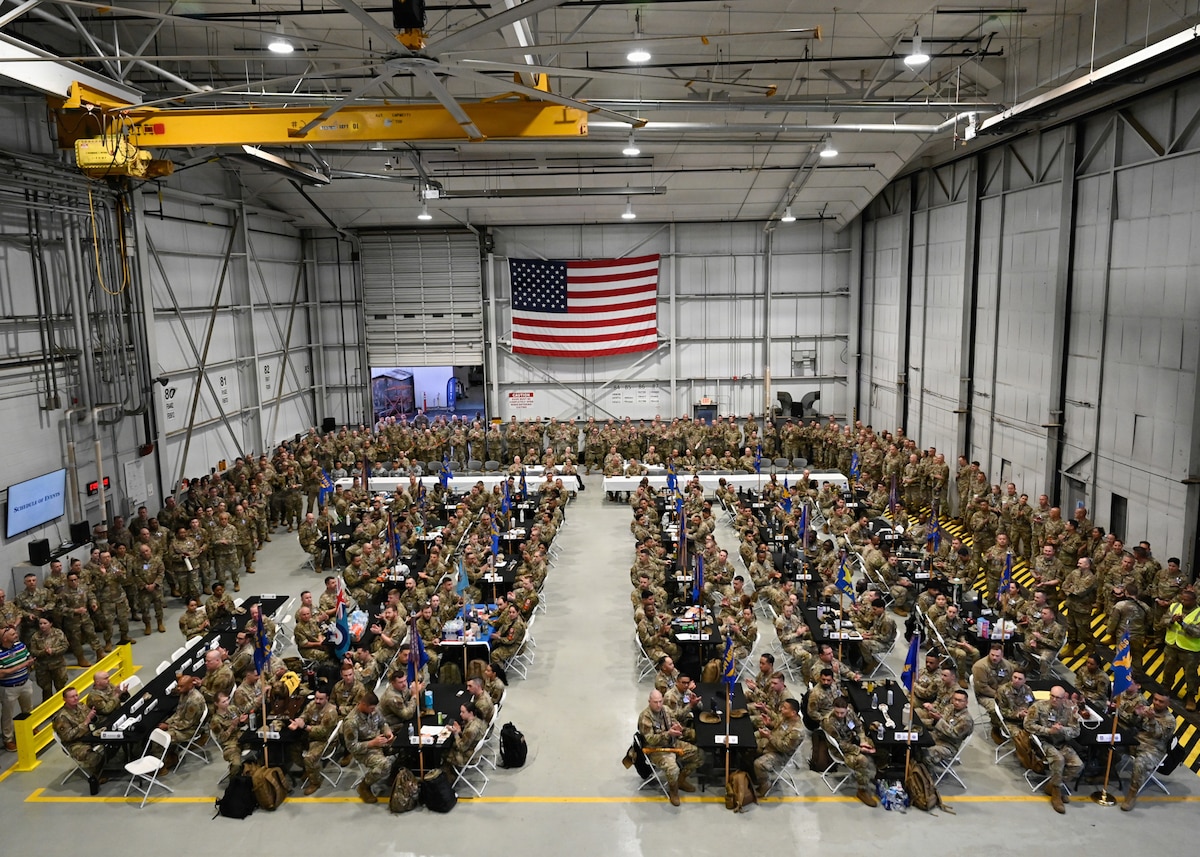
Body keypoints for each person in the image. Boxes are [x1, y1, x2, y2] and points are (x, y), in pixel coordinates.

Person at [637, 689, 702, 806]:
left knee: (699, 755)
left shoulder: (665, 710)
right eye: (655, 702)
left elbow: (673, 720)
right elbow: (650, 739)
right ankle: (674, 790)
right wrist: (669, 734)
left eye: (660, 701)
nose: (658, 705)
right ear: (649, 701)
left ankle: (681, 780)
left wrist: (677, 727)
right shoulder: (645, 717)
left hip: (672, 743)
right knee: (673, 768)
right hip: (656, 750)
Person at [1023, 685, 1082, 813]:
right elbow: (1028, 725)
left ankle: (1053, 785)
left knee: (1078, 765)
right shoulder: (1038, 706)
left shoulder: (1070, 709)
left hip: (1061, 742)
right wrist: (1049, 731)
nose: (1054, 700)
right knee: (1059, 759)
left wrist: (1062, 730)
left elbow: (1076, 731)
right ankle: (1056, 792)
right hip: (1044, 742)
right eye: (1052, 696)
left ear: (1063, 698)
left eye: (1058, 698)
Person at [1121, 692, 1176, 811]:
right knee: (1113, 745)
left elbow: (1160, 735)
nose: (1156, 703)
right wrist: (1136, 714)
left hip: (1153, 749)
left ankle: (1132, 794)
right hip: (1137, 741)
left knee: (1140, 763)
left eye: (1161, 701)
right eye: (1155, 699)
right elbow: (1132, 723)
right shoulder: (1147, 709)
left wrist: (1152, 720)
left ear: (1168, 703)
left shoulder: (1170, 720)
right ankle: (1105, 774)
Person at [821, 696, 878, 806]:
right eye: (837, 712)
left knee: (878, 746)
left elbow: (858, 726)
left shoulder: (850, 712)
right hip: (840, 750)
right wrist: (860, 749)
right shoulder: (829, 722)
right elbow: (840, 744)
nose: (840, 715)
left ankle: (878, 777)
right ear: (833, 709)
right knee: (862, 760)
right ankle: (862, 790)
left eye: (842, 713)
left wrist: (862, 740)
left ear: (846, 709)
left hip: (853, 740)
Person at [52, 687, 107, 793]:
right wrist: (86, 722)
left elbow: (92, 719)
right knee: (93, 756)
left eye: (76, 695)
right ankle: (98, 775)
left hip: (88, 735)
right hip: (74, 743)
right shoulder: (61, 718)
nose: (76, 698)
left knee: (111, 739)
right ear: (65, 699)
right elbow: (67, 736)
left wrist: (93, 717)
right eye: (72, 697)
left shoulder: (81, 706)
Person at [343, 691, 393, 803]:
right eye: (371, 708)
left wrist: (388, 732)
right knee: (384, 765)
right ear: (363, 705)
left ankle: (394, 775)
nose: (374, 711)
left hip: (379, 741)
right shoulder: (351, 722)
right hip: (365, 750)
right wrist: (372, 743)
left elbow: (383, 723)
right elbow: (351, 747)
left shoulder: (373, 710)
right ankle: (364, 786)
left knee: (403, 746)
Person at [291, 686, 339, 795]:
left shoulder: (331, 712)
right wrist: (299, 720)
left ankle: (315, 782)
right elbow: (305, 714)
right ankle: (308, 770)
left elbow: (323, 732)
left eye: (321, 699)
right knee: (293, 748)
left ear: (327, 698)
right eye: (316, 698)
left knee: (309, 758)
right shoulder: (312, 705)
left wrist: (304, 727)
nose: (317, 701)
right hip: (311, 736)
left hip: (325, 741)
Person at [752, 697, 804, 797]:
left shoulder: (796, 731)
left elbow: (784, 748)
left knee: (759, 764)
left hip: (781, 755)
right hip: (772, 743)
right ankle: (753, 774)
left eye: (784, 708)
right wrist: (769, 724)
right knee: (749, 743)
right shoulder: (785, 717)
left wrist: (769, 736)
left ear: (793, 712)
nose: (781, 709)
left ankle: (765, 785)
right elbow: (776, 726)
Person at [156, 674, 206, 768]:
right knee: (159, 726)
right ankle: (170, 755)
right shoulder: (185, 692)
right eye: (178, 686)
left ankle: (161, 767)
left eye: (181, 686)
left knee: (160, 738)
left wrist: (168, 726)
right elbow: (179, 713)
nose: (179, 688)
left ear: (190, 685)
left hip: (189, 730)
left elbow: (187, 723)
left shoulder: (193, 701)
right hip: (180, 722)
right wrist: (168, 722)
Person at [1162, 588, 1200, 711]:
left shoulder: (1198, 613)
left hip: (1189, 650)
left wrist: (1183, 624)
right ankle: (1166, 689)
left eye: (1187, 600)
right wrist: (1171, 620)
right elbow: (1162, 621)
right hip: (1172, 645)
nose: (1183, 602)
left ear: (1195, 600)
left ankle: (1190, 697)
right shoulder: (1174, 607)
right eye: (1182, 599)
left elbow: (1197, 633)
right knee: (1168, 669)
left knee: (1190, 675)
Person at [0, 625, 33, 751]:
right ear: (4, 639)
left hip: (25, 683)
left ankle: (30, 727)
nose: (16, 635)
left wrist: (29, 662)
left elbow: (27, 656)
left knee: (28, 709)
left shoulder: (20, 645)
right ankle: (8, 739)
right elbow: (1, 673)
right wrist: (20, 666)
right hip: (9, 688)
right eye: (12, 634)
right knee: (7, 714)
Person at [923, 688, 974, 767]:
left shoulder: (966, 720)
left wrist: (939, 720)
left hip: (949, 746)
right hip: (937, 736)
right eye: (955, 699)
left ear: (966, 702)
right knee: (917, 739)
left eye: (960, 701)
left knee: (926, 754)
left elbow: (953, 733)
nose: (957, 702)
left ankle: (925, 775)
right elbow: (942, 717)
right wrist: (933, 714)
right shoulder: (950, 708)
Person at [30, 616, 70, 703]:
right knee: (46, 689)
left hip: (58, 665)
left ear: (51, 624)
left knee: (60, 687)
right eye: (40, 623)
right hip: (42, 667)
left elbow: (65, 646)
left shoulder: (58, 633)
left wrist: (53, 651)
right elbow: (33, 651)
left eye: (45, 623)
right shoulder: (35, 636)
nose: (42, 626)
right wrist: (43, 652)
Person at [443, 701, 487, 773]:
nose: (460, 714)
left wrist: (456, 733)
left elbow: (462, 747)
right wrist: (460, 731)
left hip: (468, 757)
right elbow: (468, 738)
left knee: (444, 752)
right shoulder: (477, 720)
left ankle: (448, 775)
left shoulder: (472, 729)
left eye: (463, 712)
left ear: (471, 713)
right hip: (472, 750)